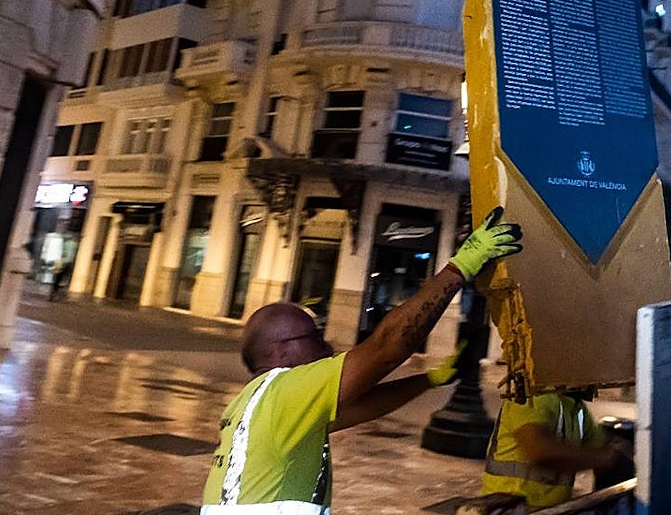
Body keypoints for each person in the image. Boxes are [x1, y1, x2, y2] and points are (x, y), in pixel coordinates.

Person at [201, 206, 523, 513]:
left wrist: (431, 378)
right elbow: (386, 347)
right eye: (315, 337)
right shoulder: (284, 390)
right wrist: (459, 268)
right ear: (281, 351)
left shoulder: (256, 404)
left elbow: (362, 405)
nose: (327, 347)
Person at [481, 390, 630, 511]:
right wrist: (604, 459)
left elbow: (603, 446)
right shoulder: (533, 396)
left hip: (550, 510)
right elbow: (541, 453)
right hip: (510, 508)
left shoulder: (575, 408)